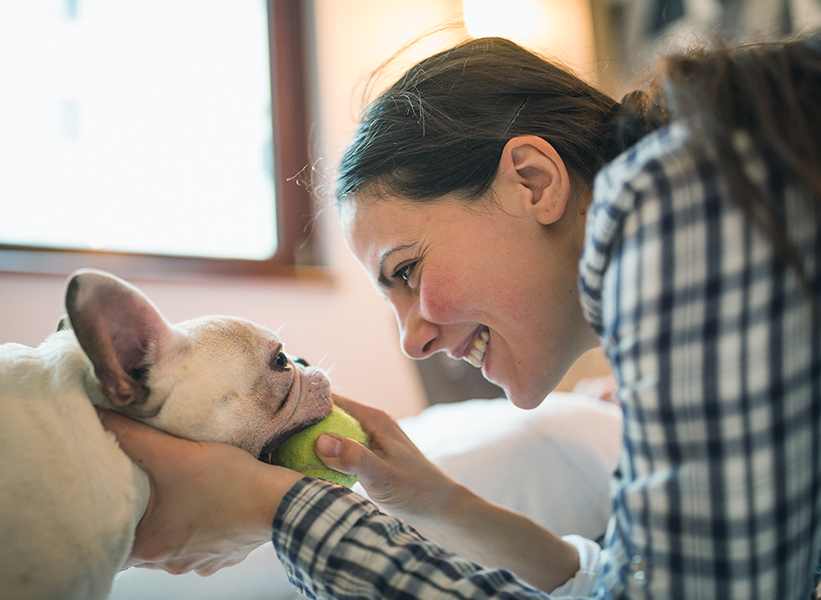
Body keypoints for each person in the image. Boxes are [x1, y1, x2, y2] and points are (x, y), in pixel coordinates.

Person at [98, 30, 821, 599]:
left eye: (406, 271)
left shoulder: (675, 209)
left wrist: (285, 513)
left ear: (532, 182)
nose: (411, 341)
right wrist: (441, 504)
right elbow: (633, 580)